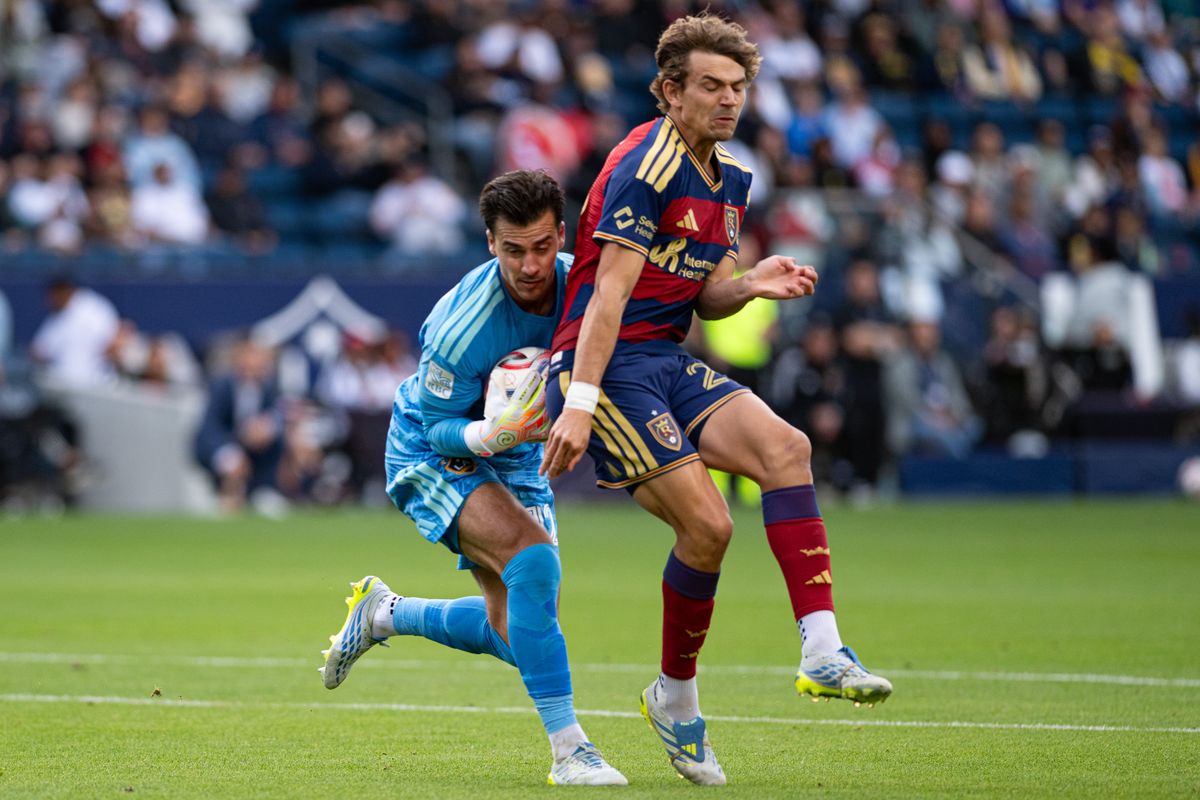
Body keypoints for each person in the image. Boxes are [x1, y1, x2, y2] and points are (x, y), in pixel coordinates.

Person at [539, 14, 893, 786]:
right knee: (709, 525)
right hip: (603, 366)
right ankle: (679, 698)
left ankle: (824, 649)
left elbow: (706, 298)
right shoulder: (645, 165)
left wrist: (750, 284)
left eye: (738, 87)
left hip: (663, 358)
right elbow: (606, 297)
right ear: (669, 91)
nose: (728, 100)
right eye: (710, 86)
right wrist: (578, 401)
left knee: (787, 449)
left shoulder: (730, 177)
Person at [318, 170, 626, 787]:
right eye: (513, 250)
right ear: (490, 242)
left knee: (519, 630)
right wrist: (488, 434)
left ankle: (386, 613)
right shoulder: (461, 326)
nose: (531, 265)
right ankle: (571, 752)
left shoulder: (586, 289)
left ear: (562, 235)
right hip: (434, 454)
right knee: (534, 565)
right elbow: (436, 428)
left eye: (542, 247)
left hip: (516, 458)